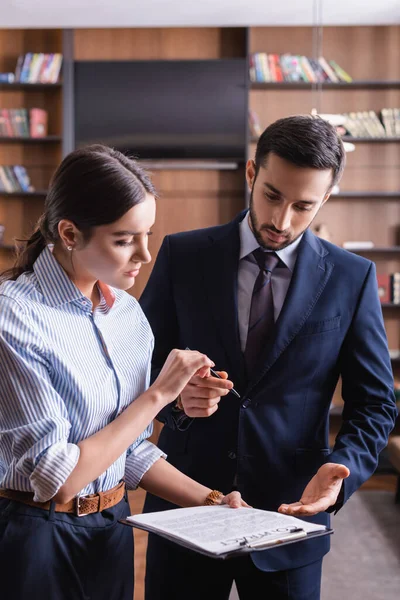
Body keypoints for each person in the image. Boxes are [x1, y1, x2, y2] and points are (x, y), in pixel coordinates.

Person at [140, 115, 398, 600]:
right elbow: (136, 366)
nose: (281, 221)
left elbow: (376, 404)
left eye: (303, 205)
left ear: (326, 198)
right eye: (273, 196)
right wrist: (174, 398)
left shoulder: (352, 277)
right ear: (251, 173)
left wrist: (342, 474)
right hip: (184, 506)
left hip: (291, 516)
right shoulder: (183, 255)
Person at [0, 145, 246, 600]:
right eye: (124, 239)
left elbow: (127, 452)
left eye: (147, 234)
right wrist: (158, 394)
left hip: (112, 528)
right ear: (69, 233)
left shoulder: (127, 315)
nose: (145, 254)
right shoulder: (13, 317)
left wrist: (215, 502)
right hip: (34, 536)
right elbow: (59, 478)